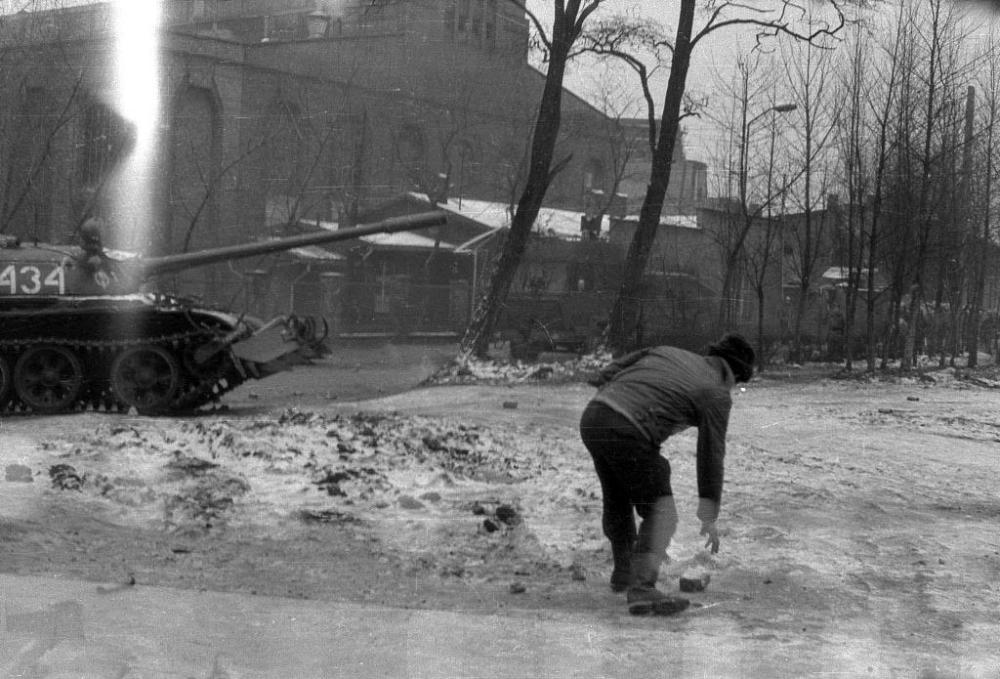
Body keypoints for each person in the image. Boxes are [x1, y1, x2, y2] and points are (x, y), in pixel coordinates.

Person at [579, 333, 755, 615]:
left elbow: (611, 371)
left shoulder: (667, 351)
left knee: (618, 496)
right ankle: (642, 587)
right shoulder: (717, 393)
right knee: (661, 511)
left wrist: (616, 388)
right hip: (629, 428)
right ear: (734, 373)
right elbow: (711, 455)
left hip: (594, 416)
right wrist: (709, 513)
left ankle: (624, 572)